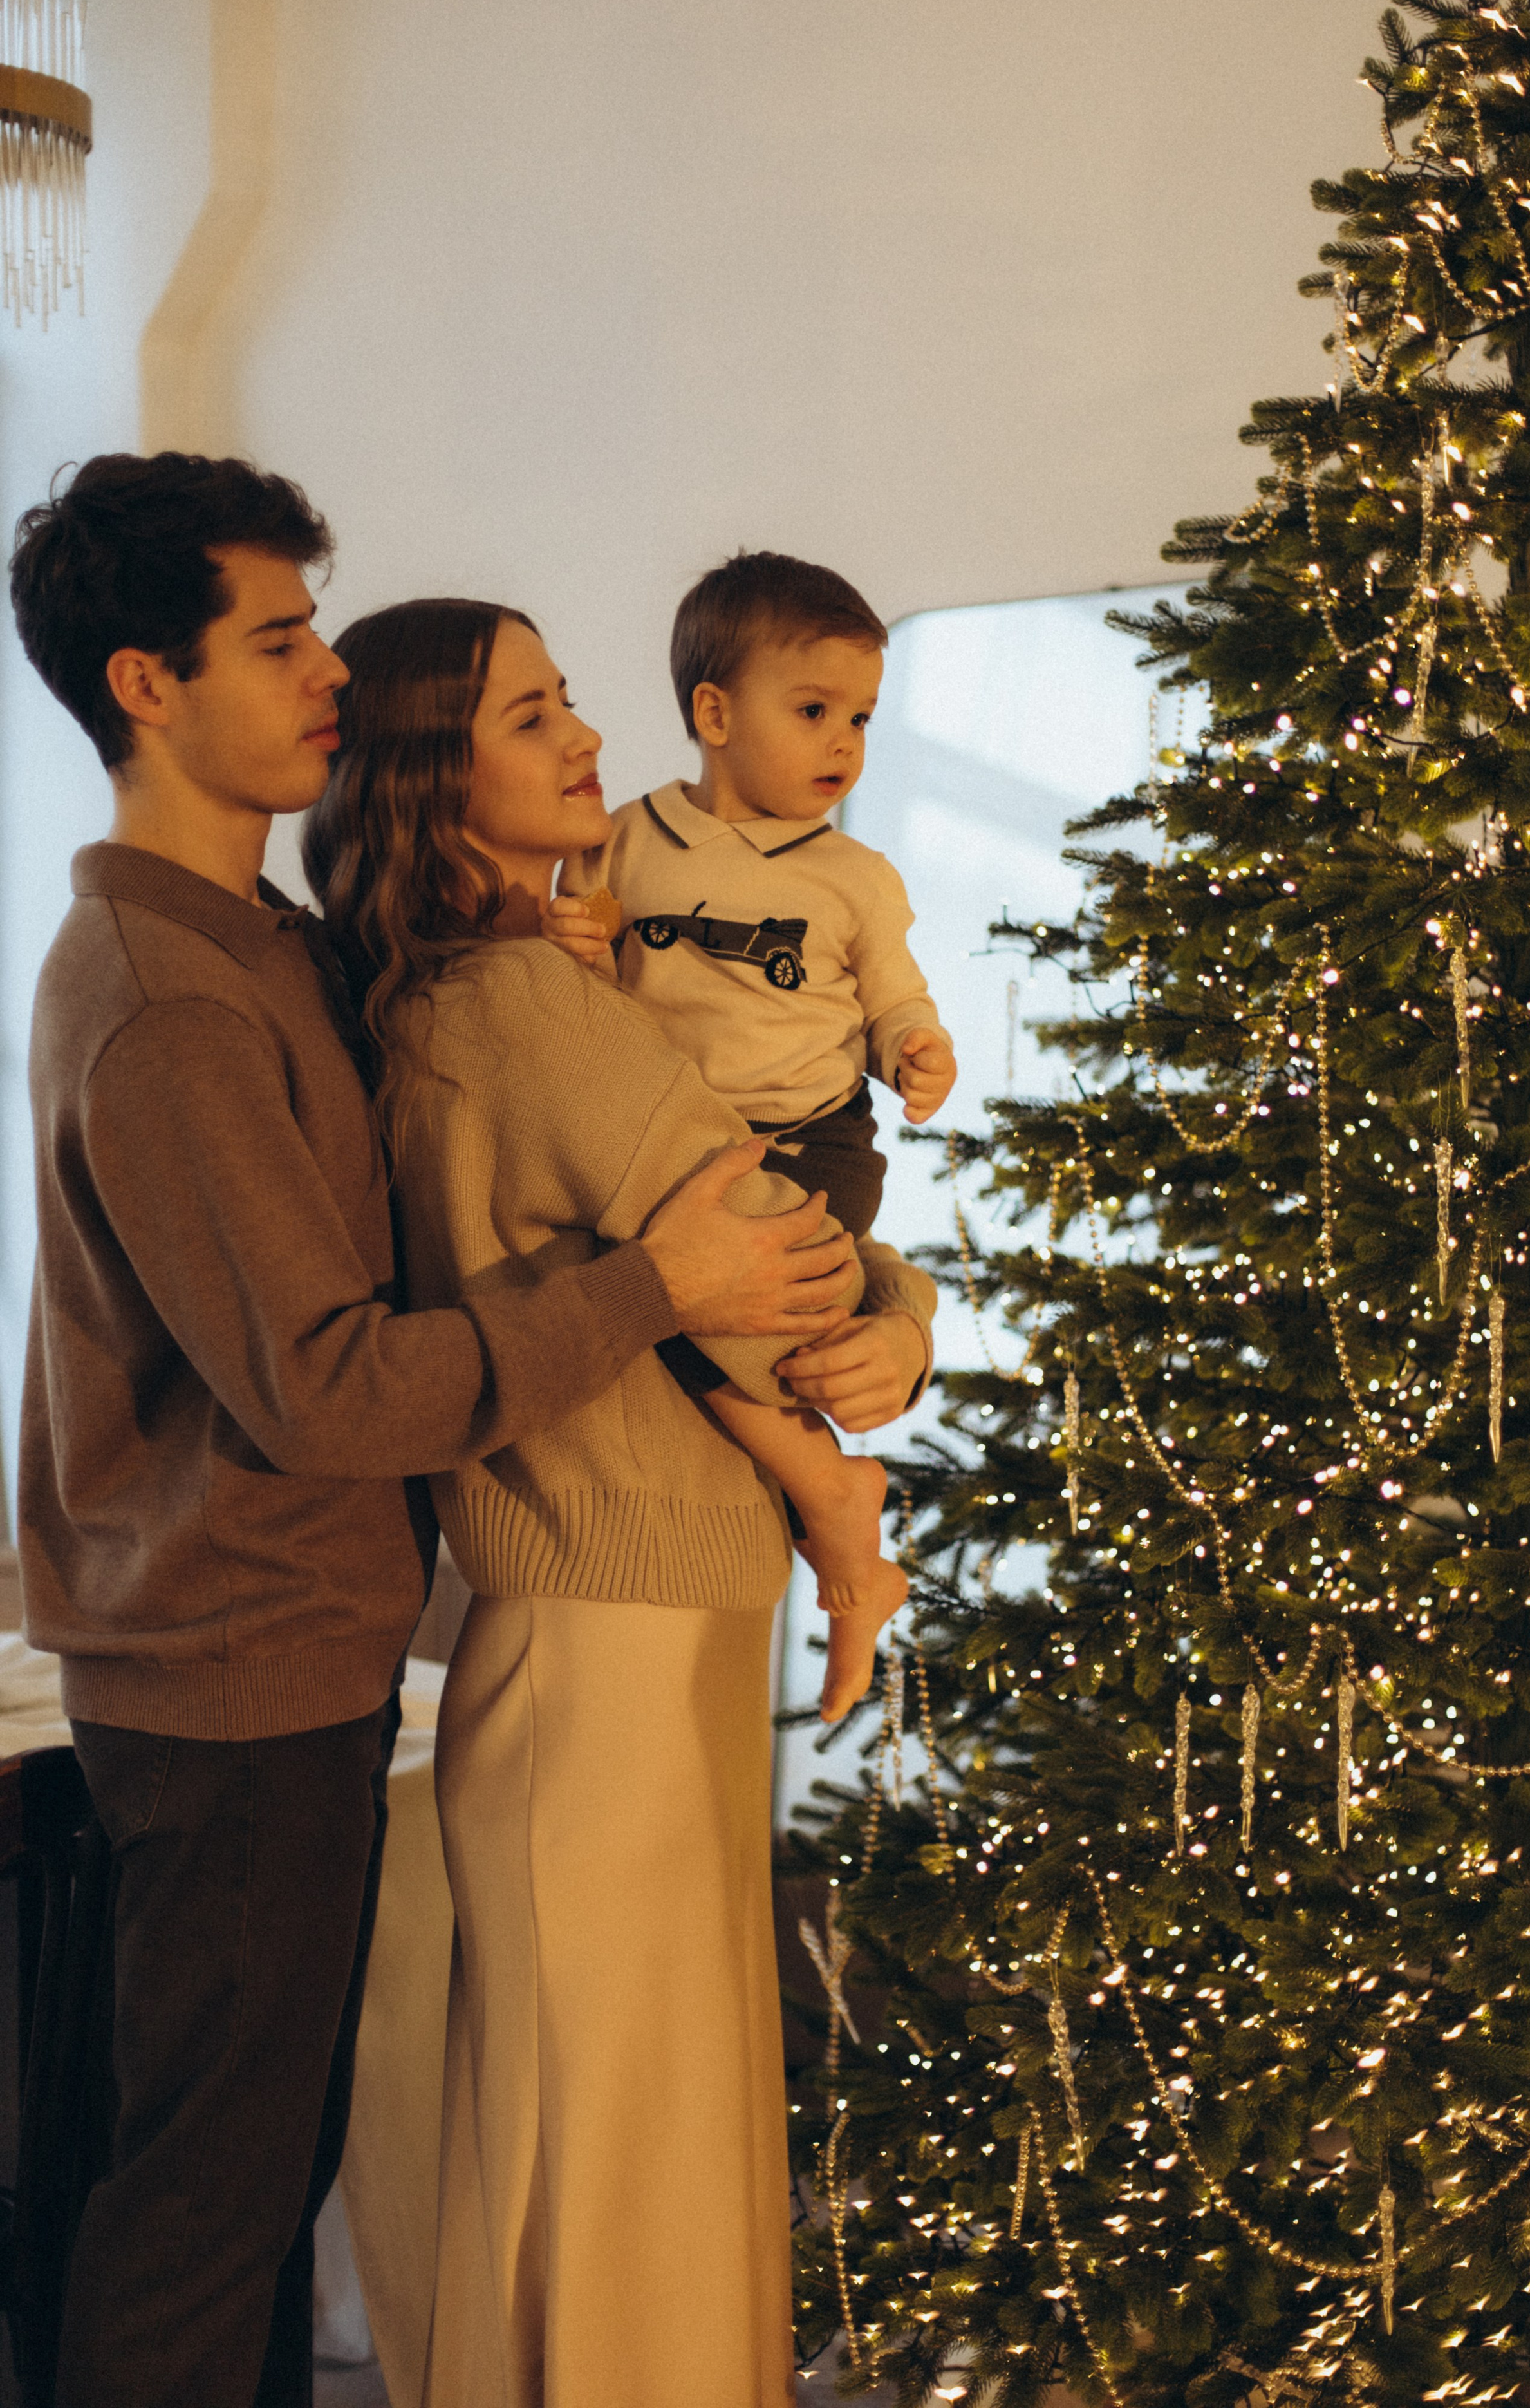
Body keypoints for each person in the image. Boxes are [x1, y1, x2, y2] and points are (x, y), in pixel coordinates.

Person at [8, 456, 862, 2408]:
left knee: (262, 2179)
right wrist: (668, 1289)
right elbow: (326, 1386)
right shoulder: (165, 1001)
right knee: (204, 2213)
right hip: (222, 1677)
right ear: (148, 685)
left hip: (295, 1659)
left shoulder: (273, 955)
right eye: (280, 639)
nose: (326, 675)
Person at [301, 595, 937, 2408]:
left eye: (570, 698)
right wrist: (908, 1319)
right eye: (531, 714)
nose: (585, 734)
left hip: (612, 1629)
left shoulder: (491, 996)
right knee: (634, 2148)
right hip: (613, 1641)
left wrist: (861, 1358)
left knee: (613, 2133)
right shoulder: (516, 1004)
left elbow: (737, 1267)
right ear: (437, 774)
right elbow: (768, 1261)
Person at [552, 550, 956, 1718]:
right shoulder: (630, 838)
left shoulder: (854, 878)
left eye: (863, 718)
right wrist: (577, 943)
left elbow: (894, 995)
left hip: (815, 1136)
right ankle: (837, 1511)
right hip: (678, 1142)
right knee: (675, 1299)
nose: (845, 744)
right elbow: (587, 945)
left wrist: (915, 1048)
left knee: (732, 1309)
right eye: (815, 710)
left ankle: (836, 1509)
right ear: (714, 715)